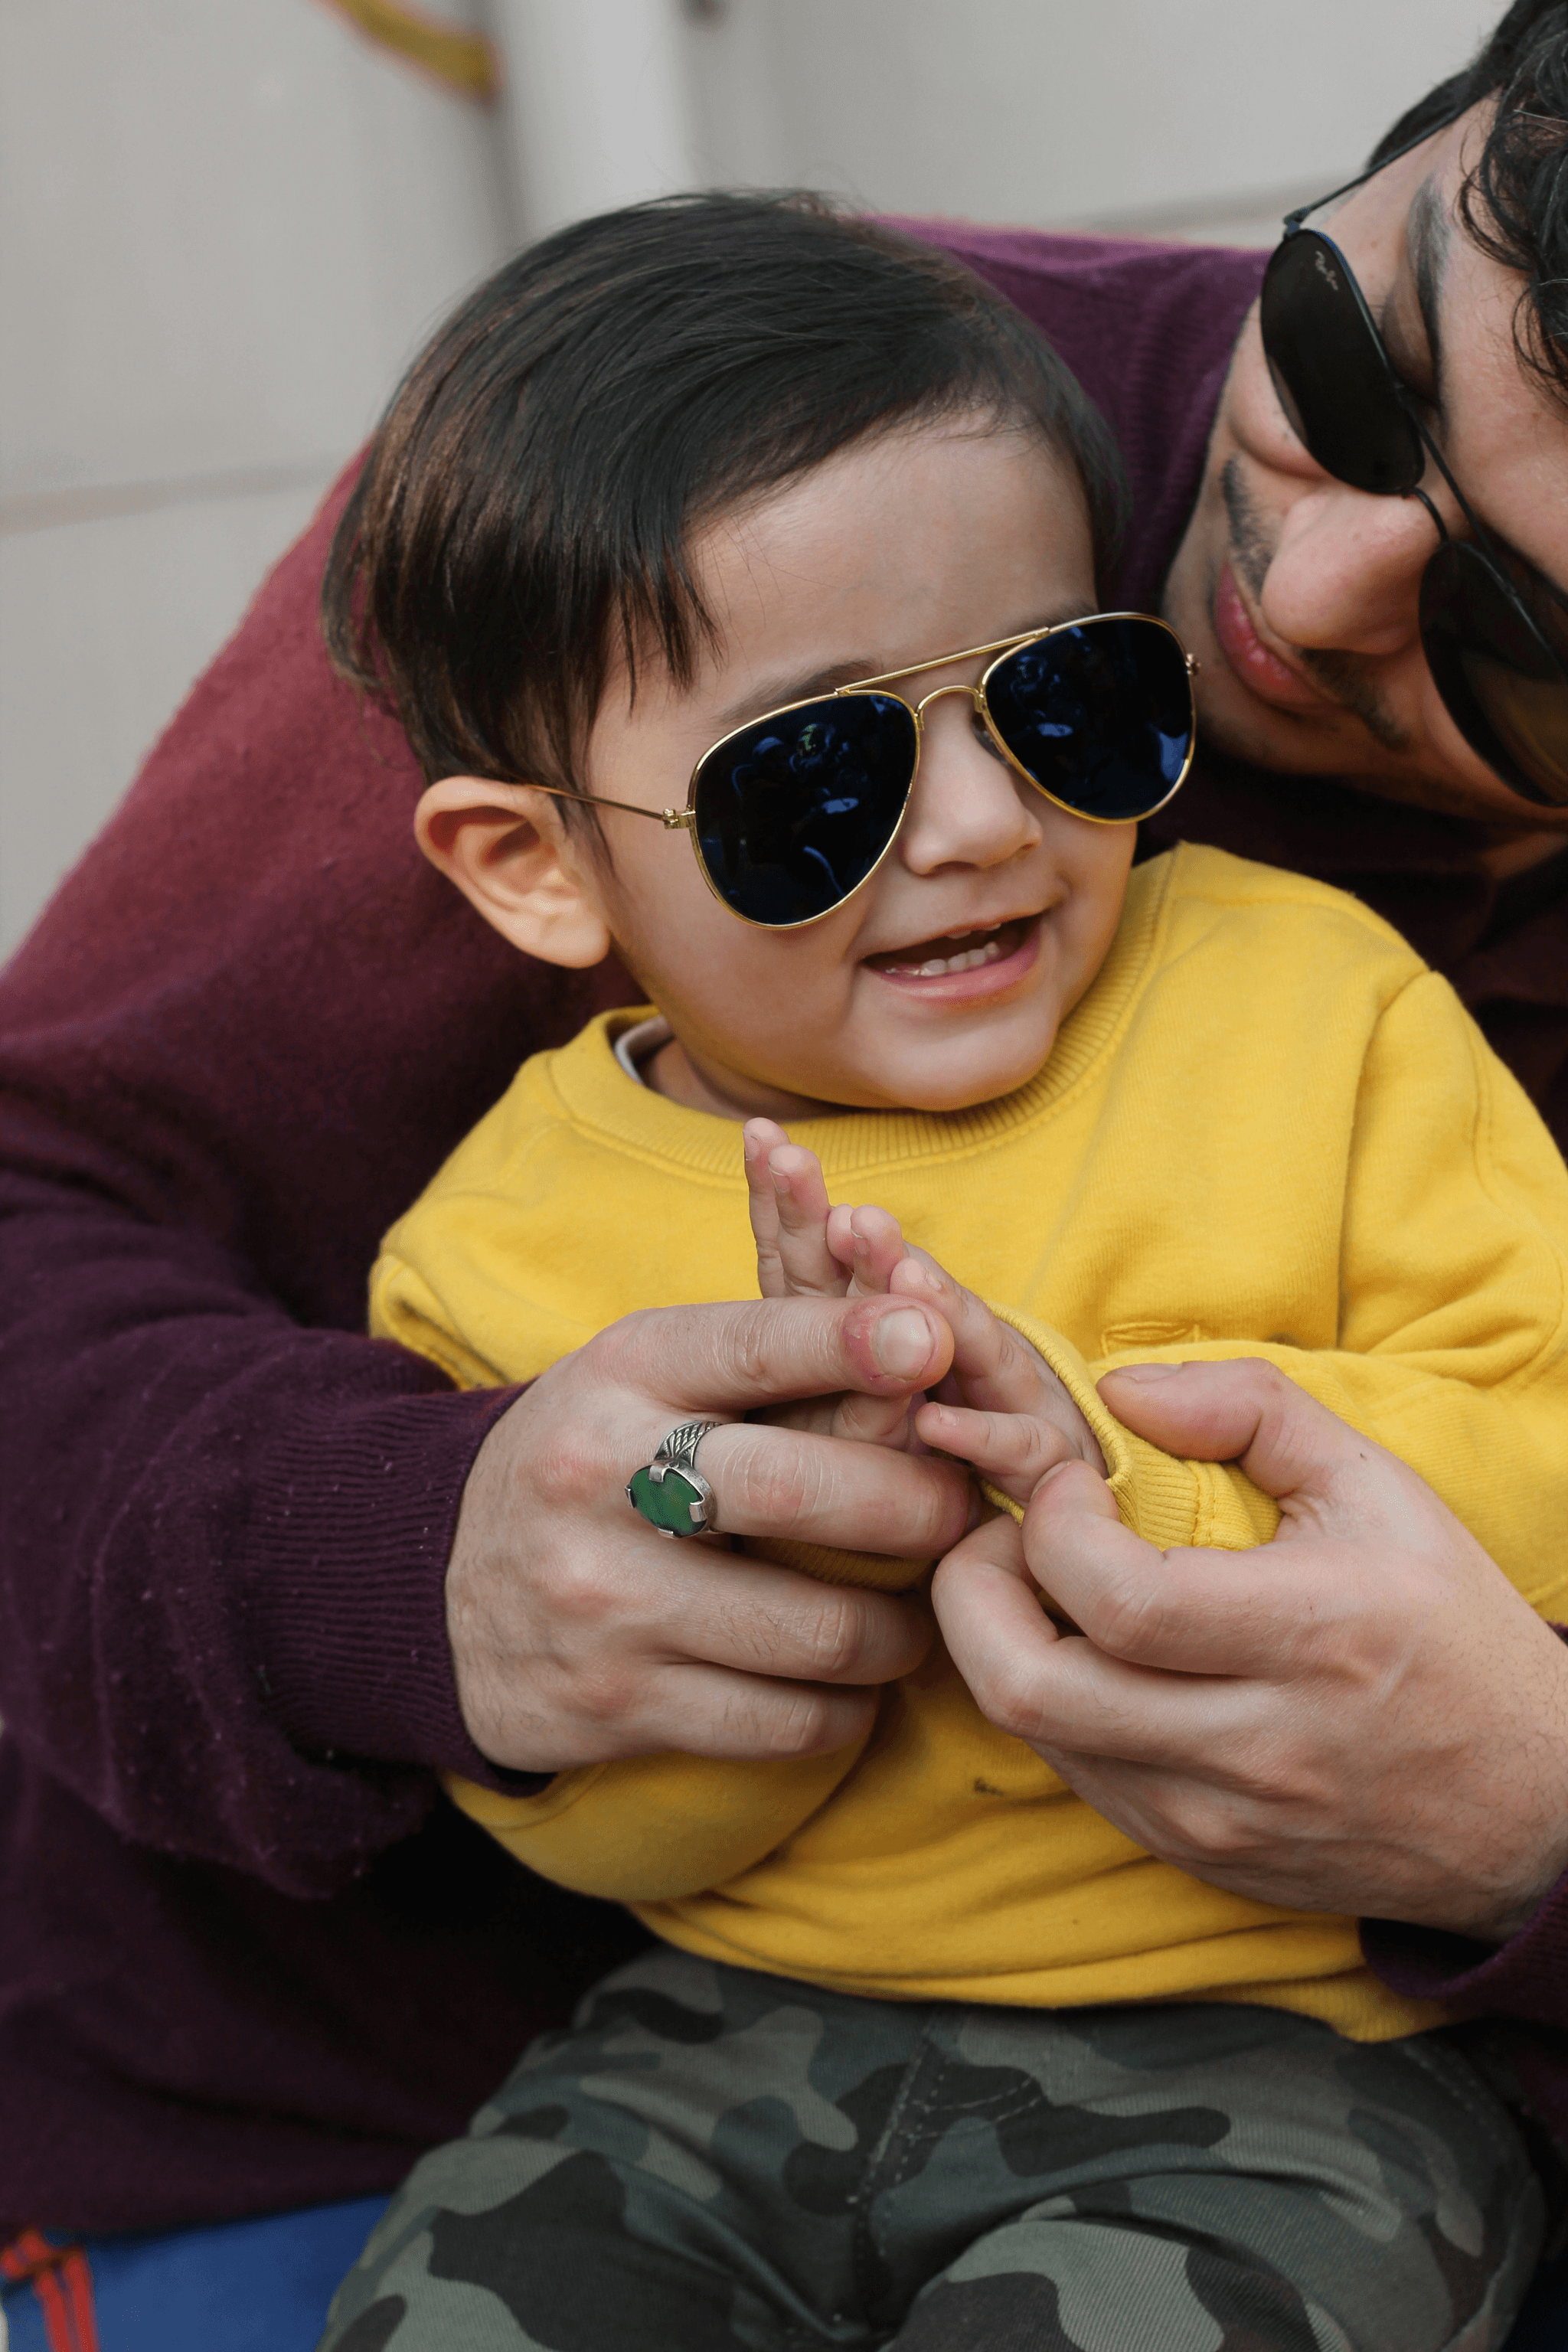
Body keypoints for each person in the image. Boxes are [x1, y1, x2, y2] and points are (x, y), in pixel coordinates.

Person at [6, 0, 1568, 2335]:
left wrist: (1530, 1808)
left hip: (1320, 2089)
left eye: (1535, 629)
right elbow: (54, 1199)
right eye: (1349, 362)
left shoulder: (1306, 1003)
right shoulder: (701, 457)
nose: (1314, 582)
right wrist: (439, 1585)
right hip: (451, 2074)